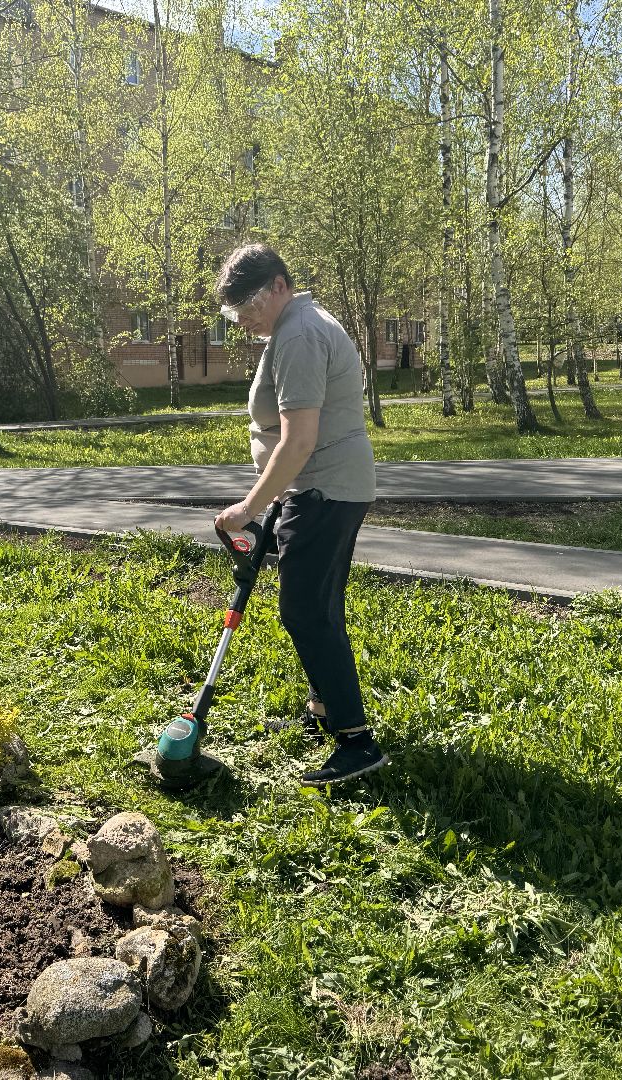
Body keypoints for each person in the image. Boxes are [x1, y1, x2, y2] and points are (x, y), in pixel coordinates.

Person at [212, 243, 388, 786]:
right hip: (317, 490)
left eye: (249, 307)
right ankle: (325, 709)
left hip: (322, 489)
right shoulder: (290, 328)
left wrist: (248, 509)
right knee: (318, 604)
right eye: (234, 313)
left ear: (280, 287)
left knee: (305, 611)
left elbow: (298, 441)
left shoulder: (300, 334)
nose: (243, 321)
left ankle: (357, 743)